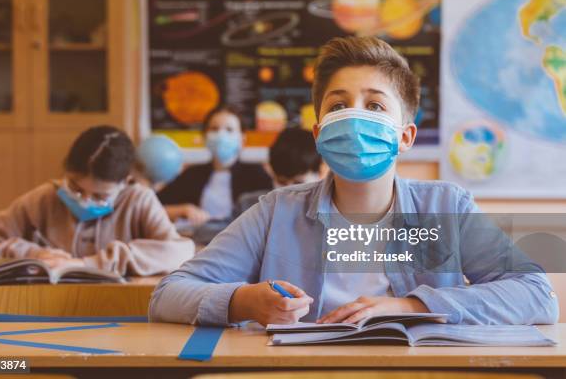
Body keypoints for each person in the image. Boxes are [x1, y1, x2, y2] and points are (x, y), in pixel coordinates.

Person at [149, 36, 558, 327]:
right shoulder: (276, 211)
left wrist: (411, 306)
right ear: (319, 132)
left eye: (375, 105)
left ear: (405, 137)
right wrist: (242, 301)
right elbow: (169, 294)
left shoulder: (447, 208)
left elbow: (537, 294)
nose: (355, 116)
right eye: (339, 105)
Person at [0, 126, 195, 276]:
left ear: (125, 183)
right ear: (66, 172)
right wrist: (32, 253)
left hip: (118, 316)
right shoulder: (44, 198)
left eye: (100, 196)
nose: (84, 200)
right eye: (75, 187)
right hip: (43, 315)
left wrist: (92, 263)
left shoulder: (138, 199)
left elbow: (180, 252)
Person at [159, 106, 272, 226]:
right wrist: (183, 209)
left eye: (229, 129)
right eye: (214, 129)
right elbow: (155, 207)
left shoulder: (256, 174)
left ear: (242, 139)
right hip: (200, 241)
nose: (221, 134)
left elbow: (270, 215)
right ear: (204, 136)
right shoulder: (192, 174)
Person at [236, 127, 324, 215]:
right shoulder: (249, 207)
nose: (288, 192)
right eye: (282, 182)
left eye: (298, 183)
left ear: (320, 173)